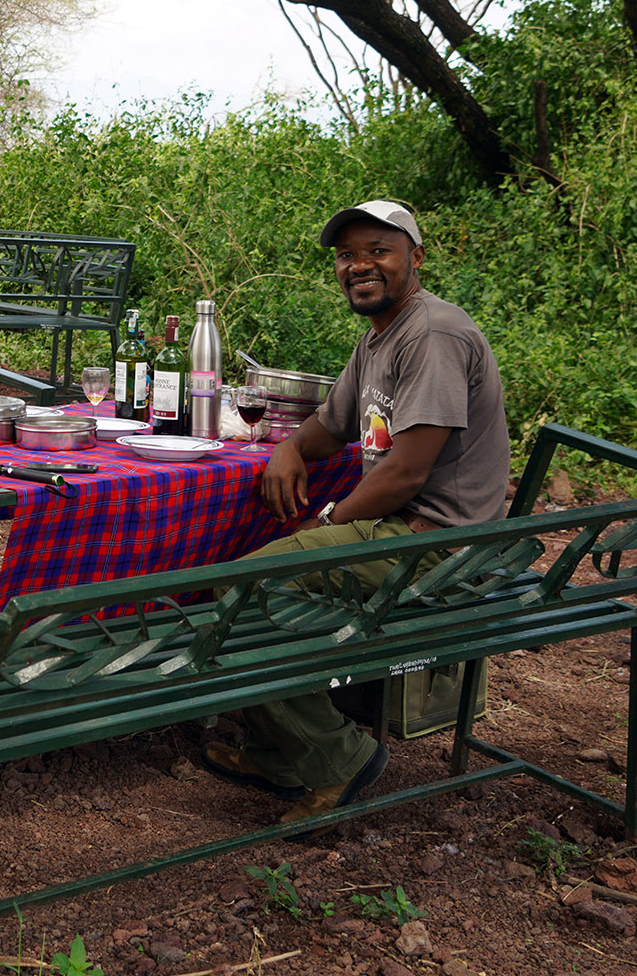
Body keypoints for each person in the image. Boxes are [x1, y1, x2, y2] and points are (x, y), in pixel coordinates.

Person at [204, 199, 511, 838]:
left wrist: (324, 523)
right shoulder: (379, 336)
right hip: (403, 529)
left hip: (437, 543)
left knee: (245, 585)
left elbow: (405, 473)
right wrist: (289, 446)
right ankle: (278, 747)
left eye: (379, 250)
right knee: (249, 570)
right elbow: (330, 425)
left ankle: (337, 757)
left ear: (416, 258)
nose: (359, 265)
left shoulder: (433, 335)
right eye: (348, 255)